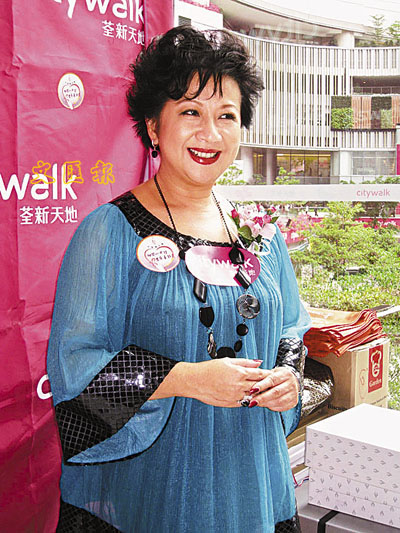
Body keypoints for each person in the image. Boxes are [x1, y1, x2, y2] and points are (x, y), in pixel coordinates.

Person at [47, 25, 311, 533]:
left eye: (226, 116)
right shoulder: (110, 232)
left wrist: (289, 378)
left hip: (252, 480)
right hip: (156, 488)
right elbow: (75, 372)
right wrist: (187, 380)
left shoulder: (259, 232)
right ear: (153, 126)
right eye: (191, 112)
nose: (210, 133)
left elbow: (291, 330)